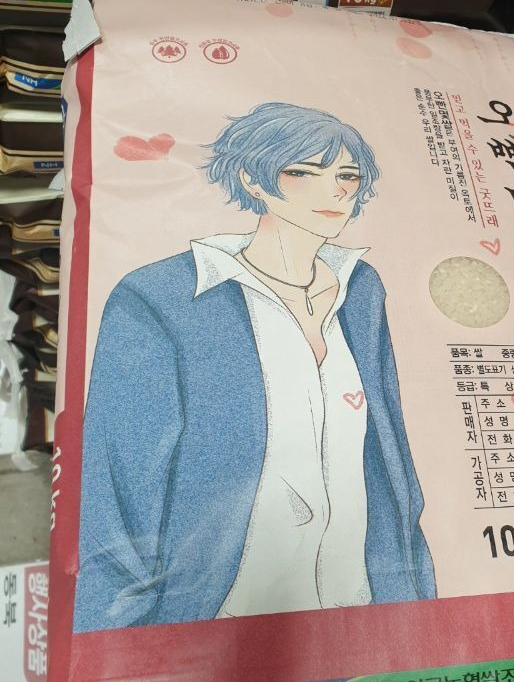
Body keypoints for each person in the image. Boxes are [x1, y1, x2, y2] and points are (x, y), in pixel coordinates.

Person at [73, 102, 436, 632]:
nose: (334, 192)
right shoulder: (160, 299)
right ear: (252, 178)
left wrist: (417, 606)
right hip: (221, 620)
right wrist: (121, 649)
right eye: (303, 173)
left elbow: (391, 463)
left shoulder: (361, 289)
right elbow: (116, 494)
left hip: (363, 614)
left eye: (347, 176)